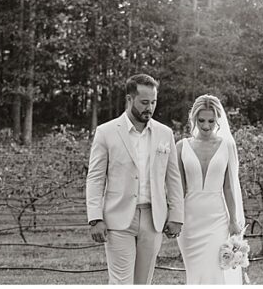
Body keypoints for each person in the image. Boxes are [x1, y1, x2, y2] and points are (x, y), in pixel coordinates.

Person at [85, 74, 184, 284]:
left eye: (154, 102)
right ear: (130, 100)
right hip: (118, 219)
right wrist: (95, 218)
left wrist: (176, 215)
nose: (150, 108)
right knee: (121, 282)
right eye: (144, 102)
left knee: (143, 283)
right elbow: (95, 178)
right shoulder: (106, 132)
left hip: (153, 218)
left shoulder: (165, 133)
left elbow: (173, 178)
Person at [176, 94, 246, 284]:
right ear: (193, 119)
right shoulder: (181, 147)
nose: (206, 126)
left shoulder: (227, 146)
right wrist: (175, 218)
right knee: (195, 274)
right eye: (201, 121)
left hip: (217, 219)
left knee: (214, 272)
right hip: (189, 221)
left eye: (211, 121)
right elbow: (179, 189)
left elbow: (229, 187)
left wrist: (233, 220)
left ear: (218, 120)